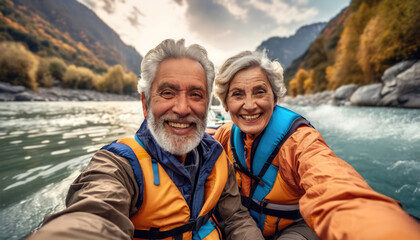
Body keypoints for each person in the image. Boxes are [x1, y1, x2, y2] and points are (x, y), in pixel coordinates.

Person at [26, 39, 264, 240]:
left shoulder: (217, 157)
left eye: (195, 94)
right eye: (168, 93)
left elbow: (236, 219)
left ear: (206, 105)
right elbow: (93, 215)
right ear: (145, 104)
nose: (182, 108)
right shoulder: (118, 166)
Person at [212, 50, 420, 239]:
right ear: (226, 104)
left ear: (274, 99)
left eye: (259, 92)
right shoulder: (225, 135)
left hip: (295, 228)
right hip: (244, 225)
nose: (249, 105)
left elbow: (333, 186)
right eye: (238, 94)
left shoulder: (300, 142)